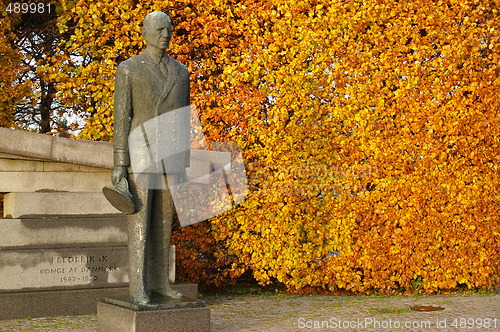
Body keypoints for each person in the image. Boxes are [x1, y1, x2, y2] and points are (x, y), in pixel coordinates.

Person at [111, 11, 190, 304]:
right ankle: (138, 287)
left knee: (164, 223)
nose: (165, 34)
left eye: (169, 29)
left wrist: (184, 159)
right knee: (141, 224)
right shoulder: (130, 69)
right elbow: (122, 117)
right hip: (141, 153)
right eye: (159, 29)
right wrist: (120, 163)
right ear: (144, 33)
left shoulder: (181, 71)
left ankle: (160, 283)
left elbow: (184, 118)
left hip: (170, 155)